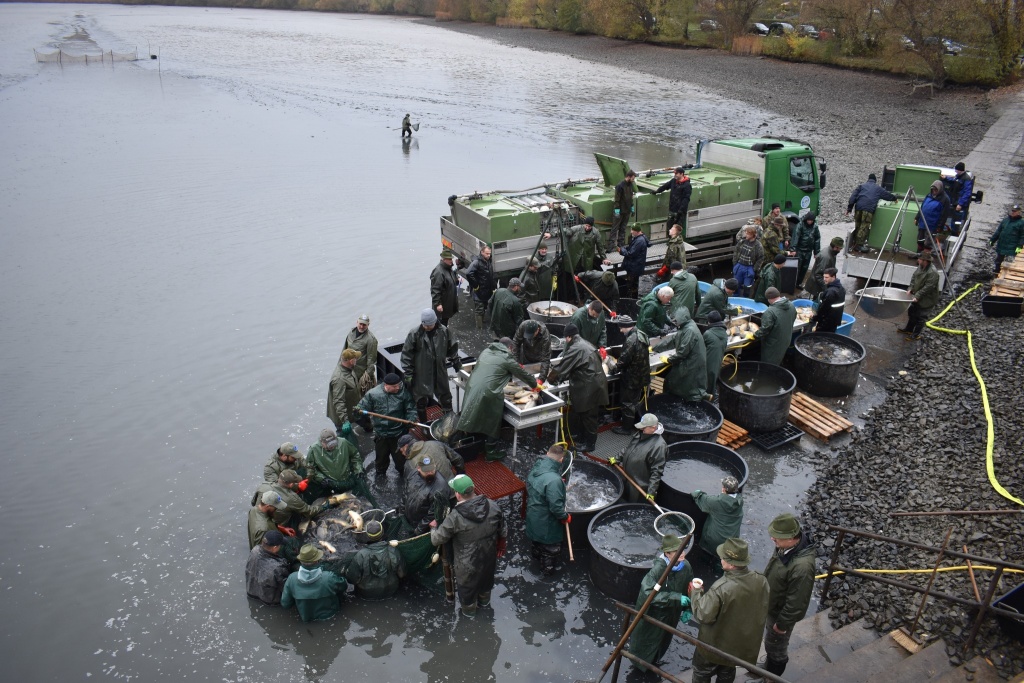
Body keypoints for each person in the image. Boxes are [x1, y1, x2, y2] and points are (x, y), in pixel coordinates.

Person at [689, 538, 770, 683]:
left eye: (723, 557)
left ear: (731, 564)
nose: (720, 559)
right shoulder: (761, 580)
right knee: (727, 673)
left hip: (712, 647)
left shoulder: (721, 588)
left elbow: (703, 615)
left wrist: (695, 593)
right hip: (736, 647)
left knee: (702, 673)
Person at [430, 474, 508, 616]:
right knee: (485, 589)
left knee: (468, 599)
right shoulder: (493, 505)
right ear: (473, 489)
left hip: (466, 567)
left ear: (458, 495)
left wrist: (433, 528)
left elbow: (436, 539)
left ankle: (469, 616)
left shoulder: (454, 517)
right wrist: (501, 545)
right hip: (488, 559)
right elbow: (503, 530)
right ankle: (486, 610)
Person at [458, 337, 538, 460]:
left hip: (472, 386)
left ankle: (469, 440)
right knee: (493, 420)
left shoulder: (486, 351)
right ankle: (490, 451)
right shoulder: (507, 358)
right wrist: (535, 385)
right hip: (489, 391)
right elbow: (523, 374)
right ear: (510, 347)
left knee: (472, 412)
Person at [760, 513, 816, 679]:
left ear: (791, 538)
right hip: (773, 606)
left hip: (780, 615)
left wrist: (782, 624)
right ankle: (767, 668)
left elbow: (797, 603)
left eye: (776, 537)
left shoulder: (803, 567)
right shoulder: (784, 547)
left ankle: (771, 677)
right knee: (770, 643)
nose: (772, 539)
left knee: (776, 649)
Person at [628, 534, 693, 673]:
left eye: (682, 550)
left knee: (663, 641)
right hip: (654, 615)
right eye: (676, 551)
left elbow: (689, 587)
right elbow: (647, 594)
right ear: (667, 554)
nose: (682, 553)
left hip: (671, 614)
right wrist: (675, 598)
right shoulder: (658, 570)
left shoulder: (686, 566)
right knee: (646, 643)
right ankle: (638, 667)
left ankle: (654, 662)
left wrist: (688, 608)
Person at [546, 324, 608, 452]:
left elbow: (563, 367)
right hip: (597, 383)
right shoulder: (586, 343)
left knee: (589, 417)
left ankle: (590, 444)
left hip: (589, 387)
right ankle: (582, 438)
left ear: (568, 337)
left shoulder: (575, 348)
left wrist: (550, 379)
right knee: (586, 415)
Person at [401, 308, 462, 421]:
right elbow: (406, 354)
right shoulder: (414, 334)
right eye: (425, 325)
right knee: (421, 400)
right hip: (421, 373)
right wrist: (408, 373)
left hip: (440, 371)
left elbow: (452, 348)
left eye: (429, 325)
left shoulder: (444, 331)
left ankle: (448, 421)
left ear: (435, 321)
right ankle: (424, 424)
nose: (427, 327)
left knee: (445, 398)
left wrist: (456, 361)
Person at [356, 372, 418, 476]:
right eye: (394, 386)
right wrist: (357, 411)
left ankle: (403, 475)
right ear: (386, 385)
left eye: (399, 385)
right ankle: (380, 474)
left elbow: (411, 408)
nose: (398, 388)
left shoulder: (403, 393)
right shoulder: (373, 394)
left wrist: (411, 419)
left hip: (398, 434)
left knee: (401, 462)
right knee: (381, 461)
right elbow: (362, 407)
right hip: (381, 435)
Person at [525, 445, 570, 576]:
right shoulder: (554, 480)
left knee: (536, 543)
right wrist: (565, 517)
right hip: (546, 523)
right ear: (561, 460)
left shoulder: (538, 467)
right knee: (550, 550)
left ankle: (536, 557)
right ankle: (546, 573)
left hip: (533, 515)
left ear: (547, 453)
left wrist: (556, 480)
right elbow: (556, 507)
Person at [280, 544, 348, 622]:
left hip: (306, 618)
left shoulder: (292, 578)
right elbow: (344, 586)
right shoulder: (329, 577)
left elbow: (285, 604)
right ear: (316, 560)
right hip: (330, 617)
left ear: (300, 561)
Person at [608, 413, 666, 503]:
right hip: (627, 477)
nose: (641, 429)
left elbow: (656, 471)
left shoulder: (659, 447)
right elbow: (628, 448)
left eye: (644, 427)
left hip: (639, 486)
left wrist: (651, 491)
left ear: (653, 428)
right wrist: (617, 458)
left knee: (632, 504)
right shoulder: (642, 433)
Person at [346, 520, 407, 600]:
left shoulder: (360, 555)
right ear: (382, 533)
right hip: (391, 590)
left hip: (366, 593)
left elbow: (352, 579)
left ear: (367, 536)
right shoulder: (394, 551)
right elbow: (402, 574)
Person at [691, 477, 744, 565]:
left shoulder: (716, 502)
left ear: (723, 489)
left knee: (707, 554)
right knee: (722, 559)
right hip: (732, 540)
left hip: (715, 539)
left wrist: (697, 491)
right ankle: (719, 568)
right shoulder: (739, 501)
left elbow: (699, 497)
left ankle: (705, 564)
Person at [613, 315, 650, 435]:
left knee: (627, 403)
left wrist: (613, 369)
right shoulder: (641, 334)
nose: (620, 330)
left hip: (631, 378)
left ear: (626, 326)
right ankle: (635, 423)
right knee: (635, 401)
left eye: (621, 328)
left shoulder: (630, 340)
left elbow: (623, 360)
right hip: (642, 375)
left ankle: (626, 429)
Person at [846, 173, 897, 252]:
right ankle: (859, 245)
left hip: (858, 208)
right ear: (875, 181)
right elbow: (887, 195)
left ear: (868, 179)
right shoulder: (878, 188)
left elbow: (853, 197)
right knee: (864, 227)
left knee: (858, 225)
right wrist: (894, 198)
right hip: (868, 210)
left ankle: (855, 243)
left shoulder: (861, 186)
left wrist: (849, 209)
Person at [664, 306, 707, 402]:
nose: (675, 322)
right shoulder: (686, 326)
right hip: (691, 361)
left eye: (676, 320)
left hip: (692, 363)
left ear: (682, 318)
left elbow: (683, 352)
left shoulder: (690, 330)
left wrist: (668, 359)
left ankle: (687, 401)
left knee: (675, 383)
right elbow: (673, 339)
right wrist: (655, 347)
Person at [306, 428, 365, 495]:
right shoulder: (314, 449)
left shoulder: (343, 442)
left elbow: (355, 455)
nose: (332, 446)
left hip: (347, 478)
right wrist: (322, 478)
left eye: (333, 442)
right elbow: (310, 468)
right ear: (322, 442)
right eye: (328, 444)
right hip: (330, 483)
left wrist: (358, 469)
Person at [402, 455, 453, 533]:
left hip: (422, 526)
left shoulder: (441, 487)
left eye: (431, 470)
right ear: (418, 468)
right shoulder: (413, 474)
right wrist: (401, 510)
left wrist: (419, 528)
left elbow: (434, 513)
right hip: (408, 517)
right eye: (426, 471)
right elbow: (405, 492)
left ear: (435, 466)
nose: (429, 472)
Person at [327, 348, 364, 447]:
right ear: (351, 361)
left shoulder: (349, 368)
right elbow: (338, 401)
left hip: (354, 408)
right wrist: (345, 421)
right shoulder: (339, 379)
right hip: (341, 415)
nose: (357, 360)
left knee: (364, 420)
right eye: (356, 358)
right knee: (346, 439)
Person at [899, 253, 940, 340]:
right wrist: (910, 288)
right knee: (912, 312)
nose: (918, 260)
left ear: (925, 261)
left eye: (920, 259)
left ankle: (915, 335)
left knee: (921, 316)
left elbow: (928, 287)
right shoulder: (920, 267)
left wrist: (917, 296)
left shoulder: (933, 273)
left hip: (927, 299)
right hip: (917, 294)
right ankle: (909, 329)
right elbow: (914, 278)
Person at [752, 288, 796, 366]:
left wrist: (755, 335)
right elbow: (793, 317)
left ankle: (769, 372)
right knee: (779, 358)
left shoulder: (770, 312)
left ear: (769, 299)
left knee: (769, 363)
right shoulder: (791, 305)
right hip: (786, 339)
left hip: (773, 344)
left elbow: (765, 329)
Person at [246, 530, 289, 605]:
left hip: (251, 593)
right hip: (270, 601)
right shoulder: (278, 567)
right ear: (275, 548)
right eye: (280, 545)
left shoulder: (254, 550)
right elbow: (286, 587)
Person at [342, 313, 378, 393]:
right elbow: (344, 350)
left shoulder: (371, 339)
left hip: (360, 373)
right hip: (349, 370)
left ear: (368, 325)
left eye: (364, 325)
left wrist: (367, 377)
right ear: (357, 322)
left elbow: (371, 360)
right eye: (360, 324)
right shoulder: (351, 333)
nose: (361, 326)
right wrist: (341, 366)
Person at [653, 167, 693, 236]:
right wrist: (657, 191)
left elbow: (686, 199)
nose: (675, 175)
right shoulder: (673, 181)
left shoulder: (687, 185)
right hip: (672, 209)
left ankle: (677, 241)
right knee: (669, 228)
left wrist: (681, 210)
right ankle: (670, 240)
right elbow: (665, 186)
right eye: (675, 173)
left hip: (680, 212)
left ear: (682, 174)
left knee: (677, 229)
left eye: (676, 173)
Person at [915, 179, 952, 252]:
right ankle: (918, 255)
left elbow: (944, 214)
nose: (934, 191)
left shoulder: (945, 199)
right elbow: (922, 207)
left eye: (936, 190)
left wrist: (940, 226)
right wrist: (917, 217)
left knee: (928, 243)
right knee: (920, 241)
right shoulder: (928, 195)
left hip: (932, 226)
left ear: (940, 189)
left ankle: (926, 257)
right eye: (933, 189)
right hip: (922, 223)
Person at [465, 245, 496, 330]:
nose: (489, 255)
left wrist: (493, 287)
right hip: (479, 291)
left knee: (484, 307)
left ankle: (482, 321)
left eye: (489, 253)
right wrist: (475, 285)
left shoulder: (488, 261)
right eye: (487, 253)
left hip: (487, 290)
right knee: (479, 309)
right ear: (482, 252)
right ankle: (479, 328)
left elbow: (491, 275)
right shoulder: (476, 262)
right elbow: (468, 273)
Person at [805, 237, 844, 301]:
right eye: (840, 248)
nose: (840, 250)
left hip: (819, 283)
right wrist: (826, 288)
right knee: (817, 302)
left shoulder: (831, 252)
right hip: (817, 286)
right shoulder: (826, 257)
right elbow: (818, 275)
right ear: (835, 247)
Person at [989, 204, 1024, 274]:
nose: (1013, 212)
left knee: (1009, 262)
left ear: (1019, 212)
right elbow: (998, 231)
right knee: (998, 260)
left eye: (1015, 211)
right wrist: (993, 240)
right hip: (1002, 244)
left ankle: (1006, 274)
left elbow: (1022, 236)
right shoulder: (1005, 220)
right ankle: (997, 271)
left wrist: (1019, 246)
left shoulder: (1021, 223)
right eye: (1012, 211)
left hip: (1012, 247)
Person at [702, 311, 728, 401]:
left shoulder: (708, 333)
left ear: (709, 322)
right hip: (718, 361)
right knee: (713, 379)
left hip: (707, 362)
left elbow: (700, 347)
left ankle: (706, 399)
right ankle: (711, 396)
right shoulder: (724, 333)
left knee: (706, 381)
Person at [609, 169, 637, 251]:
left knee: (623, 228)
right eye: (633, 178)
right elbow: (617, 200)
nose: (633, 180)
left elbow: (631, 199)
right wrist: (617, 212)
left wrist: (632, 209)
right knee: (614, 228)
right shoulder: (620, 186)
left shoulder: (630, 185)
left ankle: (620, 245)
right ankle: (610, 246)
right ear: (628, 177)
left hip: (627, 211)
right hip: (620, 211)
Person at [732, 225, 764, 298]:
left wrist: (754, 269)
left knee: (747, 287)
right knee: (736, 284)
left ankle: (745, 299)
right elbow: (736, 252)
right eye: (745, 233)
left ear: (753, 235)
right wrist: (735, 264)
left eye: (747, 234)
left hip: (749, 268)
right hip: (739, 266)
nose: (745, 235)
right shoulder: (742, 242)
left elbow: (761, 258)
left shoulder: (758, 245)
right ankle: (735, 298)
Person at [430, 250, 460, 326]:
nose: (451, 260)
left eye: (451, 259)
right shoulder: (439, 272)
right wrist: (438, 304)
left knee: (445, 322)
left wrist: (457, 280)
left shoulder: (449, 268)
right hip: (442, 306)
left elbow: (452, 280)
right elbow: (435, 289)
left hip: (448, 304)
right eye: (449, 259)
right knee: (441, 324)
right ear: (443, 259)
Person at [619, 225, 649, 299]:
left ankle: (631, 299)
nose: (631, 232)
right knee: (634, 284)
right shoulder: (639, 239)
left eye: (632, 230)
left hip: (633, 267)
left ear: (637, 231)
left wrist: (622, 250)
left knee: (631, 285)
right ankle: (633, 298)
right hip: (636, 266)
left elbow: (631, 253)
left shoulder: (639, 241)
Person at [812, 268, 846, 333]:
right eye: (824, 277)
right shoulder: (841, 289)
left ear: (833, 277)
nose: (824, 279)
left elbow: (823, 309)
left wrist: (815, 318)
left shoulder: (830, 292)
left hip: (826, 323)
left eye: (827, 277)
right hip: (835, 321)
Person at [790, 212, 820, 285]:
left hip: (808, 251)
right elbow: (795, 237)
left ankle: (799, 283)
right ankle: (792, 284)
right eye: (808, 220)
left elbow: (817, 239)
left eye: (811, 220)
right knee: (796, 268)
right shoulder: (800, 225)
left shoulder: (815, 227)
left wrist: (816, 252)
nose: (810, 222)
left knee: (804, 268)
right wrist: (793, 249)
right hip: (799, 250)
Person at [950, 161, 974, 225]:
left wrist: (960, 204)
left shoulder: (966, 179)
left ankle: (955, 230)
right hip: (954, 202)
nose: (955, 171)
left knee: (956, 222)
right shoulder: (958, 177)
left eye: (956, 170)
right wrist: (945, 178)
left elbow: (967, 193)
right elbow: (953, 181)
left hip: (959, 205)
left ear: (960, 170)